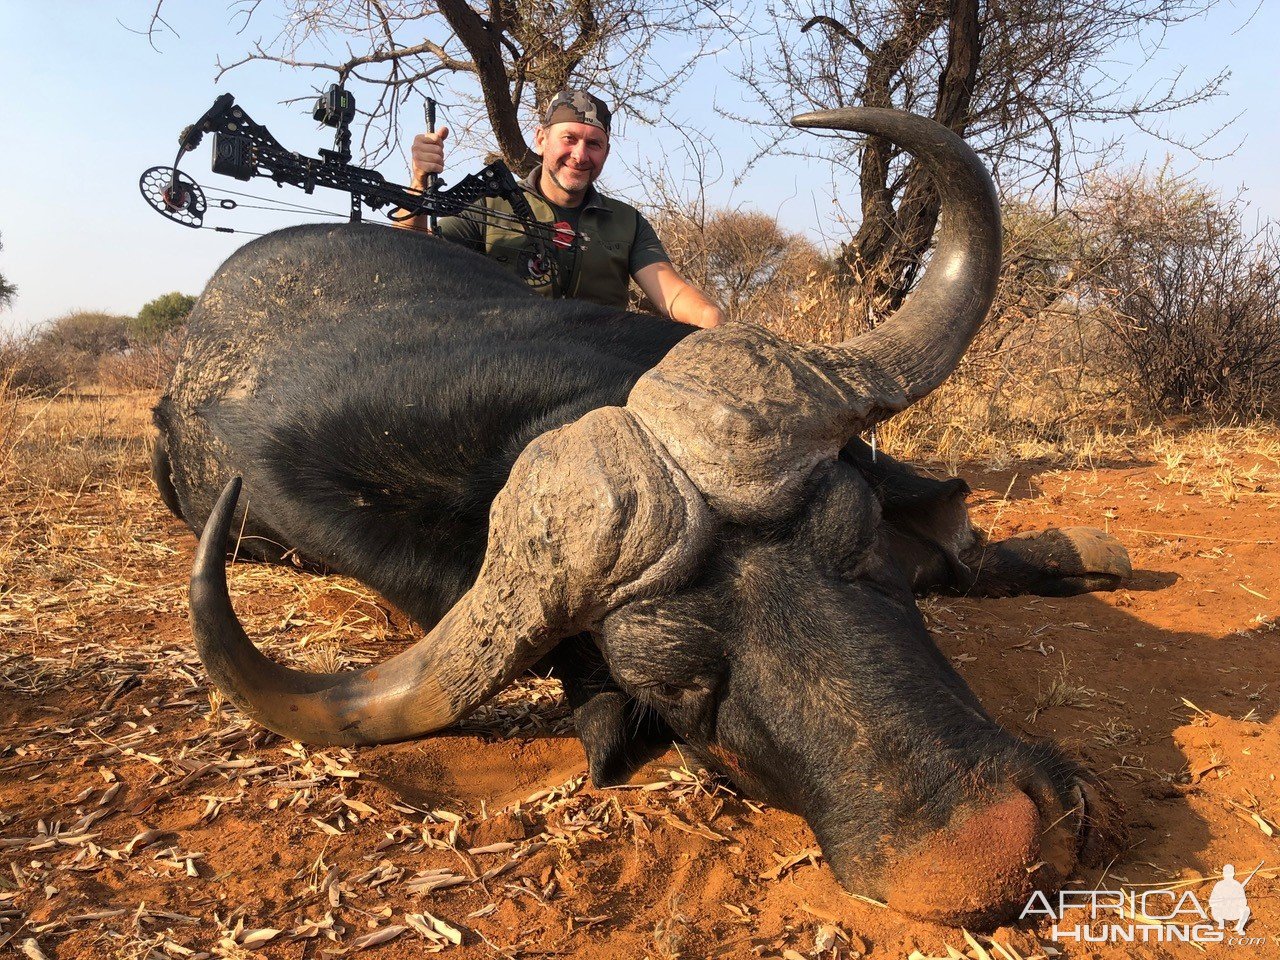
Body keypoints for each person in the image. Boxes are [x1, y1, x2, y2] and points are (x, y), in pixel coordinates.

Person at [395, 90, 724, 329]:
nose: (580, 156)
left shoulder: (628, 222)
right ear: (541, 140)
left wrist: (718, 326)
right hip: (507, 365)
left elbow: (671, 293)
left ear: (606, 153)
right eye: (569, 138)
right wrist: (419, 179)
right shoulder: (487, 203)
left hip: (605, 371)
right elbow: (410, 258)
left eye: (593, 144)